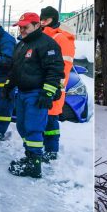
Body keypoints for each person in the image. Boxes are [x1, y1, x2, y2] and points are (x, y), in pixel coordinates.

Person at [6, 12, 65, 178]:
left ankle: (34, 164)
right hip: (23, 93)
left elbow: (54, 70)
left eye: (26, 27)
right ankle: (30, 156)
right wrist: (9, 85)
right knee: (22, 126)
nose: (22, 30)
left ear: (37, 25)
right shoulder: (22, 44)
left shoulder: (47, 44)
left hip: (37, 93)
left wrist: (47, 92)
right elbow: (15, 69)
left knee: (33, 129)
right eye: (20, 27)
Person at [40, 6, 76, 160]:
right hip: (44, 85)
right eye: (41, 19)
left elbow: (64, 68)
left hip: (54, 88)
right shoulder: (47, 36)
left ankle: (51, 151)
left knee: (51, 121)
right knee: (45, 119)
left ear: (53, 19)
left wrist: (55, 88)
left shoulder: (61, 38)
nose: (43, 22)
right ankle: (46, 149)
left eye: (46, 19)